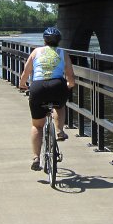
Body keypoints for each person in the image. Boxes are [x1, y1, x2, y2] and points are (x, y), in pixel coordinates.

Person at [18, 27, 76, 171]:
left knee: (37, 125)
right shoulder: (63, 53)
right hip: (57, 85)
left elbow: (26, 72)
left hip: (38, 87)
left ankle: (36, 158)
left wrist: (22, 84)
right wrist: (69, 85)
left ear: (44, 40)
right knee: (59, 105)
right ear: (59, 41)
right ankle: (59, 131)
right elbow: (70, 76)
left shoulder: (36, 52)